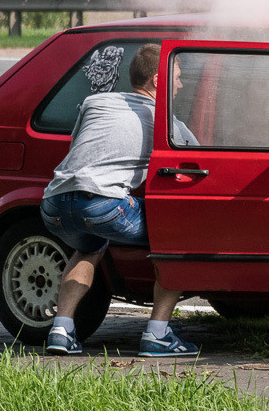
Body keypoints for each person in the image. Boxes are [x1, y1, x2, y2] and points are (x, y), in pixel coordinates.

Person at [40, 43, 197, 358]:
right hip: (101, 204)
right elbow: (196, 162)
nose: (180, 85)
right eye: (177, 78)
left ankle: (61, 330)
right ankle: (158, 334)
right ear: (157, 80)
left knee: (89, 246)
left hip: (53, 204)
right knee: (177, 240)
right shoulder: (165, 121)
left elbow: (81, 150)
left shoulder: (95, 102)